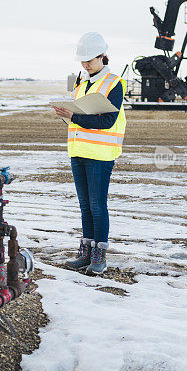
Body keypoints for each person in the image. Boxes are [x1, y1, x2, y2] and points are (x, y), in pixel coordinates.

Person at [52, 32, 126, 275]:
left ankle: (99, 256)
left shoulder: (114, 82)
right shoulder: (81, 82)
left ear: (102, 56)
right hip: (78, 149)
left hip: (100, 153)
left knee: (97, 205)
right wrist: (67, 115)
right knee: (85, 205)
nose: (85, 64)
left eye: (90, 60)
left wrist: (74, 116)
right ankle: (85, 251)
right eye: (82, 61)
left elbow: (106, 121)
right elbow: (82, 117)